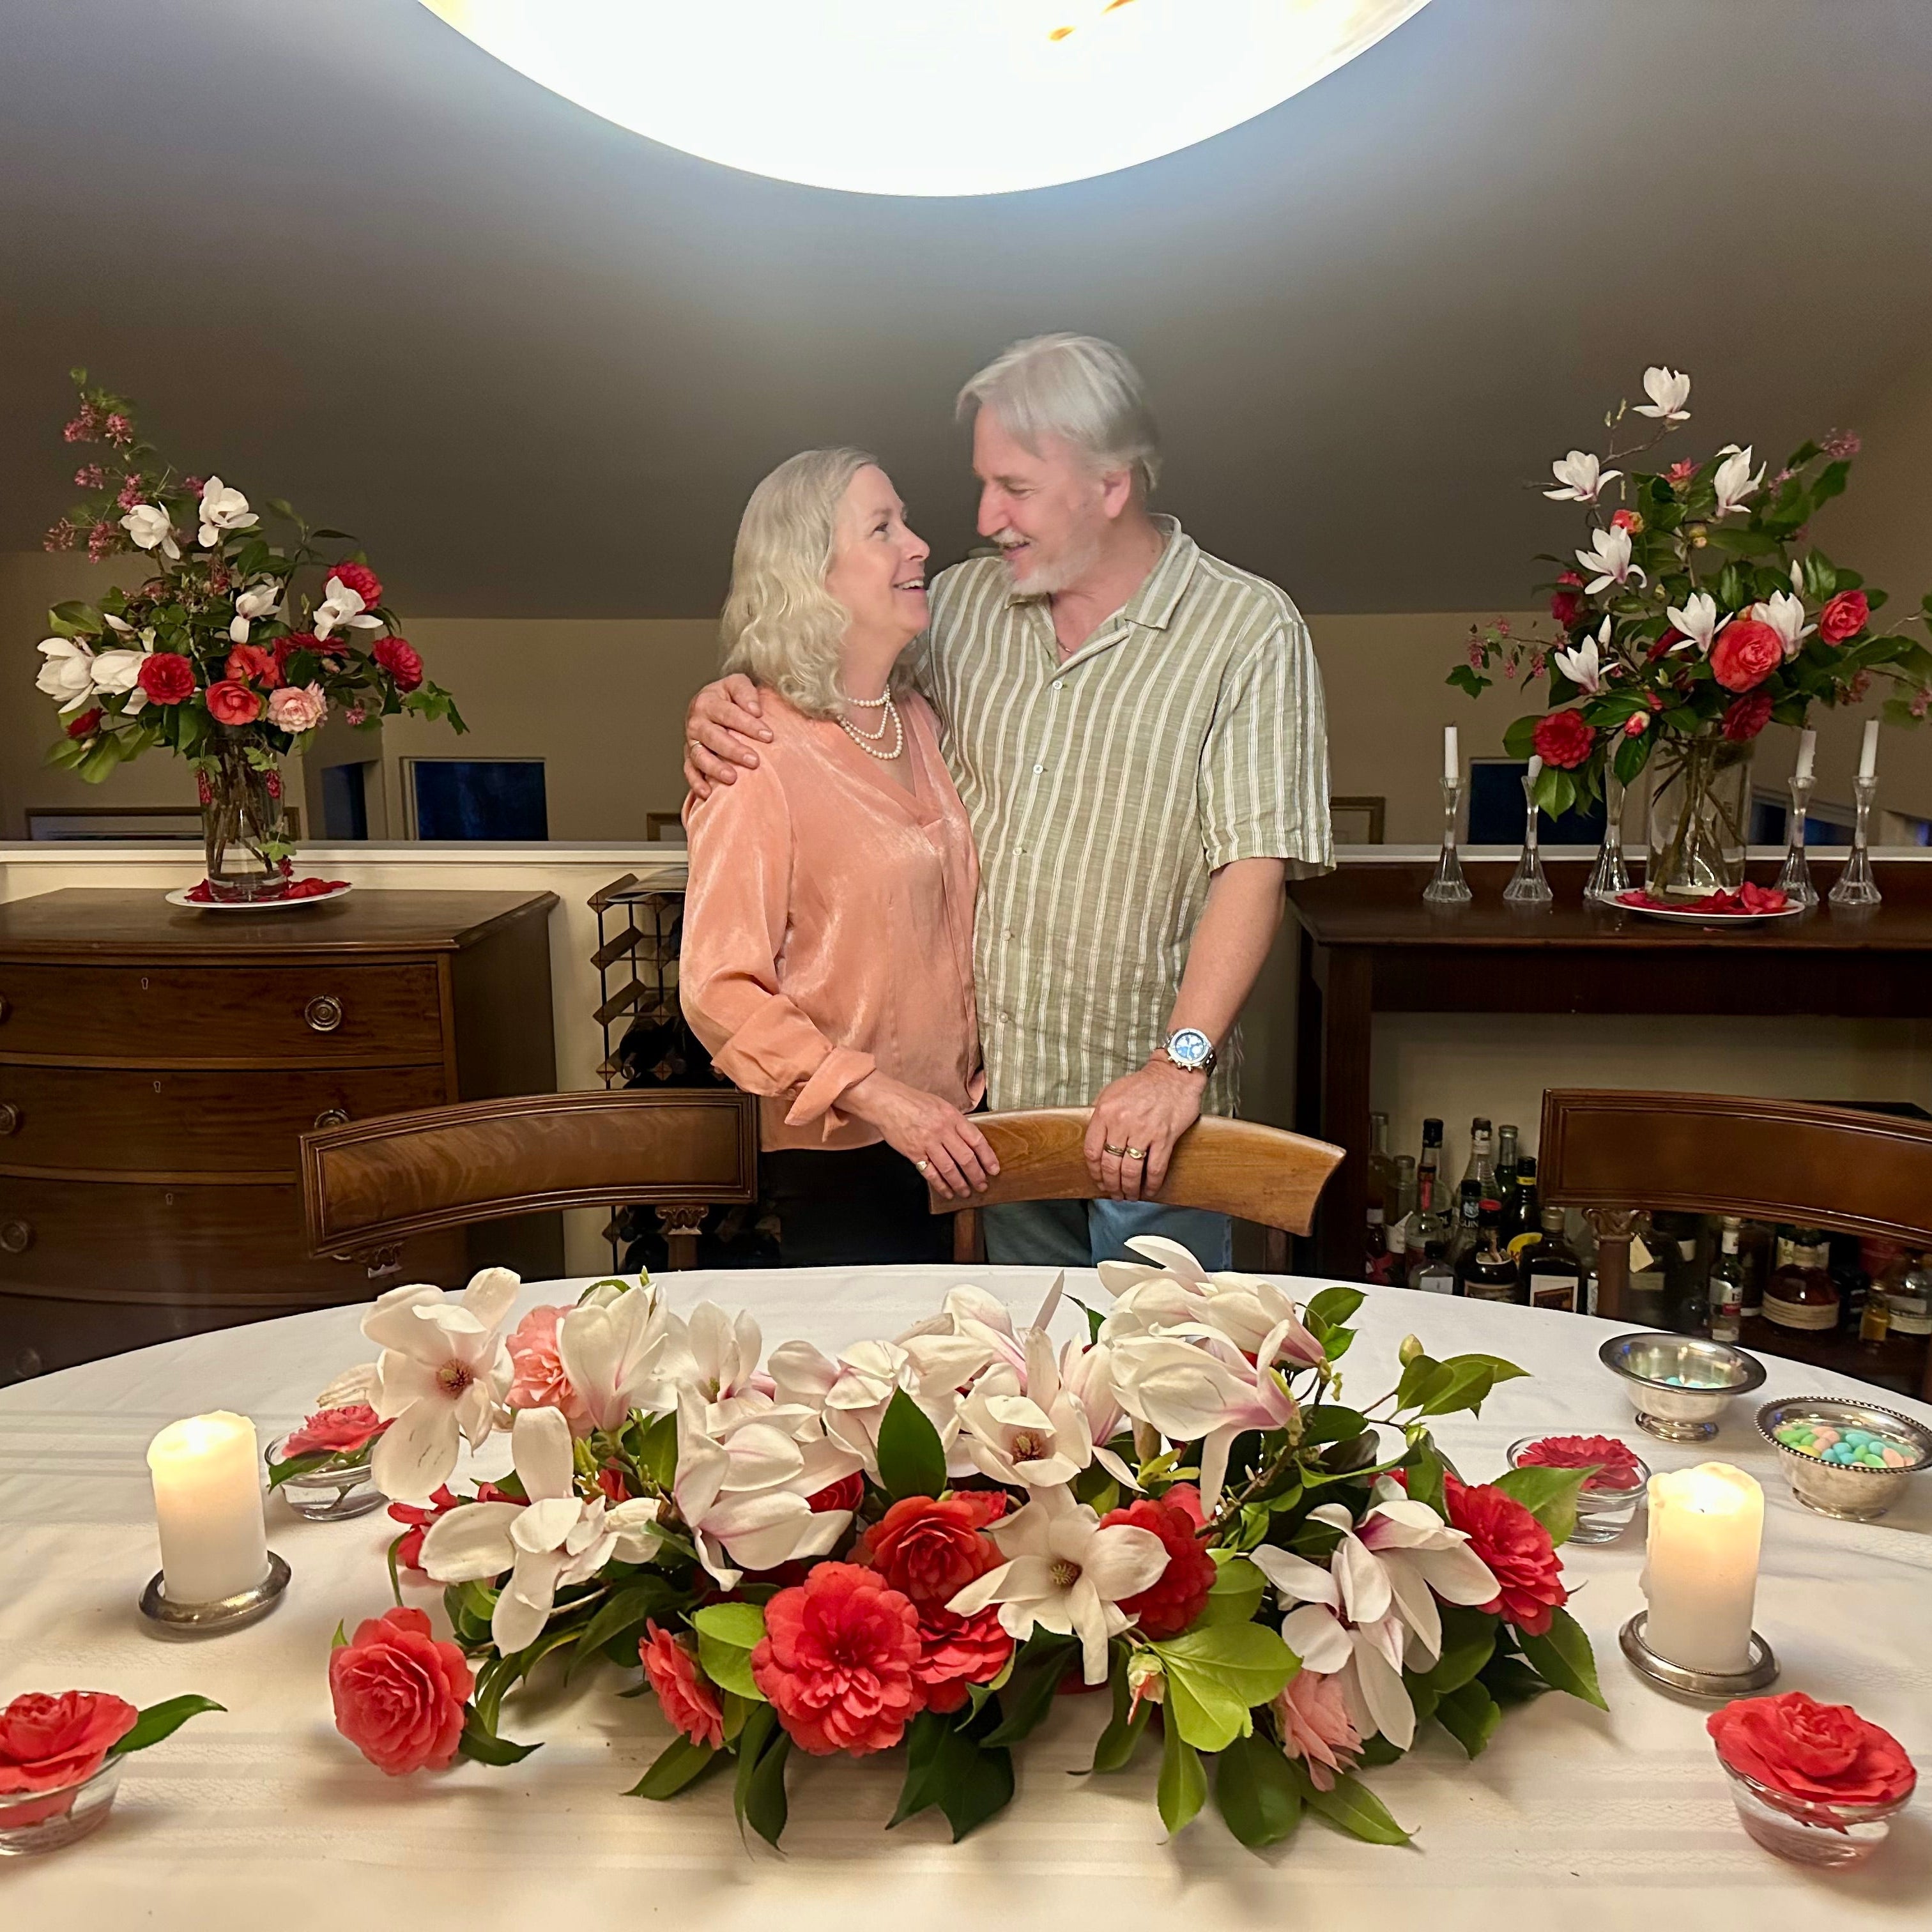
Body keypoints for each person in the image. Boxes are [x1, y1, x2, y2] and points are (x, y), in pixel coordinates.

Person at [686, 337, 1331, 1268]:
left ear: (1109, 485)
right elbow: (825, 662)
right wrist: (723, 698)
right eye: (984, 482)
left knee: (1169, 1393)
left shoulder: (1247, 629)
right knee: (1020, 1401)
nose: (984, 516)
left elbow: (1253, 867)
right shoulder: (960, 610)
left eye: (1016, 488)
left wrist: (1177, 1065)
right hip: (996, 1130)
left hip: (1145, 1123)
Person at [678, 448, 999, 1265]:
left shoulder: (919, 719)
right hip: (844, 1159)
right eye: (883, 529)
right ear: (810, 573)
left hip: (962, 1134)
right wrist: (884, 1100)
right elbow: (719, 990)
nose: (920, 544)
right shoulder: (754, 750)